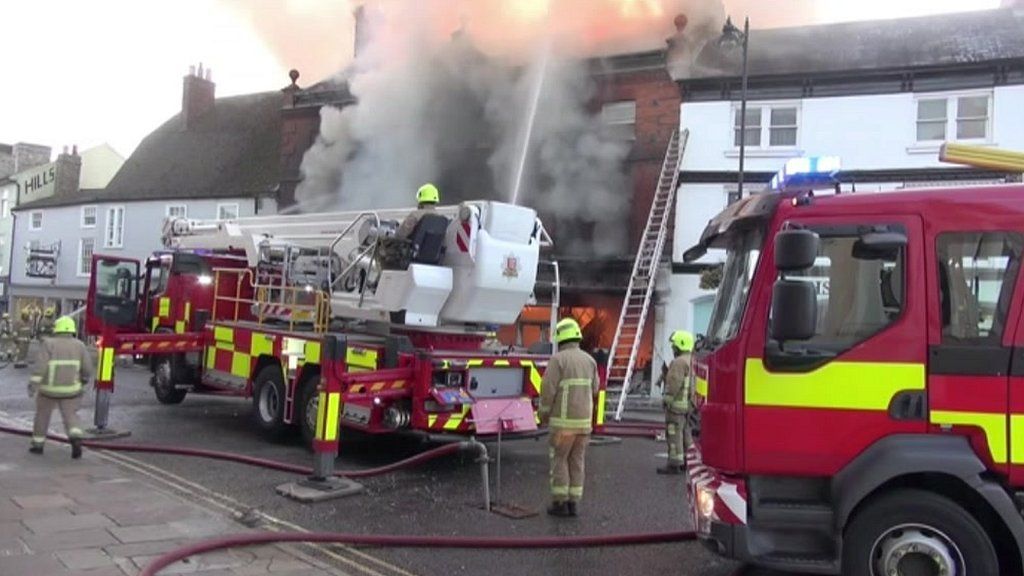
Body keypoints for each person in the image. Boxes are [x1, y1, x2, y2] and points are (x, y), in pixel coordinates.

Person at [539, 317, 600, 518]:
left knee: (560, 461)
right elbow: (595, 388)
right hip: (584, 426)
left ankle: (560, 503)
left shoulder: (558, 360)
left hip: (562, 424)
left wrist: (543, 414)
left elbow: (548, 390)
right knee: (577, 461)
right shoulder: (590, 360)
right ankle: (574, 503)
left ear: (560, 338)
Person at [28, 315, 94, 459]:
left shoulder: (48, 343)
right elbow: (87, 368)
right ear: (72, 329)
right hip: (71, 390)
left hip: (48, 390)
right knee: (71, 416)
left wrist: (33, 385)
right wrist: (83, 380)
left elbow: (40, 367)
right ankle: (76, 438)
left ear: (56, 329)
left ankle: (38, 445)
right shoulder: (80, 345)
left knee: (42, 416)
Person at [657, 330, 694, 475]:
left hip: (676, 408)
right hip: (689, 407)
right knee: (686, 435)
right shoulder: (692, 360)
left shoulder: (678, 362)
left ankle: (674, 464)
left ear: (680, 346)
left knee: (673, 434)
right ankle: (687, 462)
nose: (672, 349)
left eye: (674, 346)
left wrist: (666, 400)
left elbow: (673, 383)